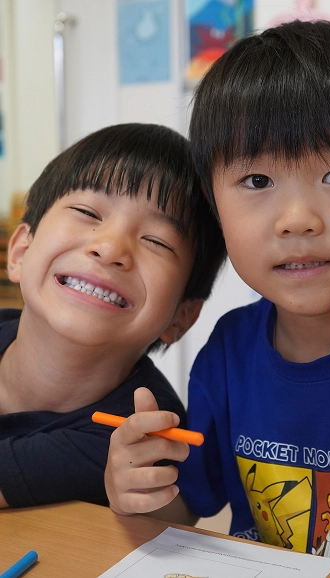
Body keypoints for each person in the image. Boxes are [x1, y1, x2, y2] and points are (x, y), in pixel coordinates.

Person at [104, 21, 330, 577]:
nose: (296, 220)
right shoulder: (229, 351)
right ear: (216, 205)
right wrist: (142, 486)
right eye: (257, 182)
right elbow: (188, 509)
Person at [0, 123, 226, 509]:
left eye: (156, 241)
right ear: (20, 252)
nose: (109, 248)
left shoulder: (138, 433)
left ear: (181, 317)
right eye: (88, 211)